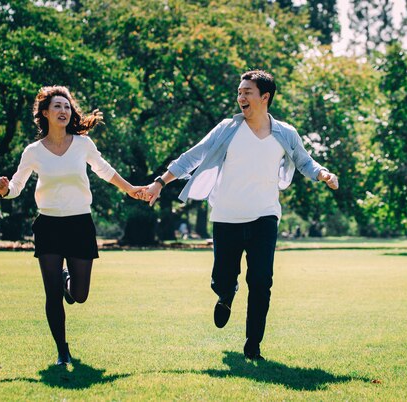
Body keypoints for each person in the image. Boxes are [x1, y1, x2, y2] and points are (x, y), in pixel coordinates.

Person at [139, 70, 339, 360]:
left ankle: (253, 344)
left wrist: (322, 173)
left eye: (247, 92)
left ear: (264, 97)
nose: (240, 97)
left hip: (265, 217)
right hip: (226, 217)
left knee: (261, 281)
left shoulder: (285, 133)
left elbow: (304, 161)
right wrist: (160, 182)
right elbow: (192, 156)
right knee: (221, 278)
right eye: (239, 91)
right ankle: (226, 292)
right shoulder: (226, 129)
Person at [0, 86, 145, 365]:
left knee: (80, 294)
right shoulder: (33, 151)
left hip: (79, 224)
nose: (63, 110)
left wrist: (130, 189)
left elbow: (104, 170)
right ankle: (62, 351)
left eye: (67, 106)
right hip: (48, 225)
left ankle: (67, 280)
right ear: (46, 113)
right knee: (52, 295)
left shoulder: (83, 144)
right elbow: (16, 185)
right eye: (57, 106)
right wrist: (4, 190)